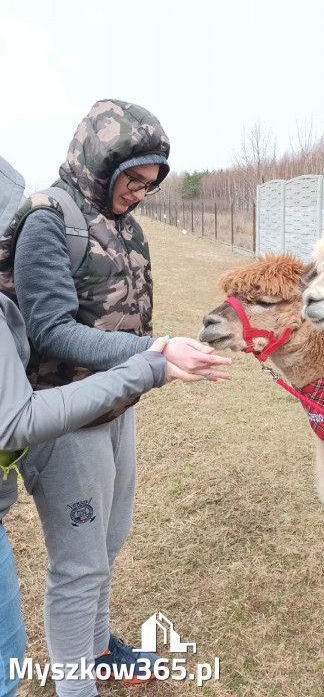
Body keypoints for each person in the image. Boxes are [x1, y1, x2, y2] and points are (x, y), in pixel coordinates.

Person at [0, 100, 232, 697]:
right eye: (132, 180)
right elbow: (50, 328)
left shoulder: (124, 225)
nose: (138, 194)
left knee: (109, 539)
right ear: (100, 160)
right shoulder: (47, 220)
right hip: (65, 416)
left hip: (117, 407)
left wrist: (150, 356)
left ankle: (100, 649)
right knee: (78, 566)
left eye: (149, 186)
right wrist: (153, 351)